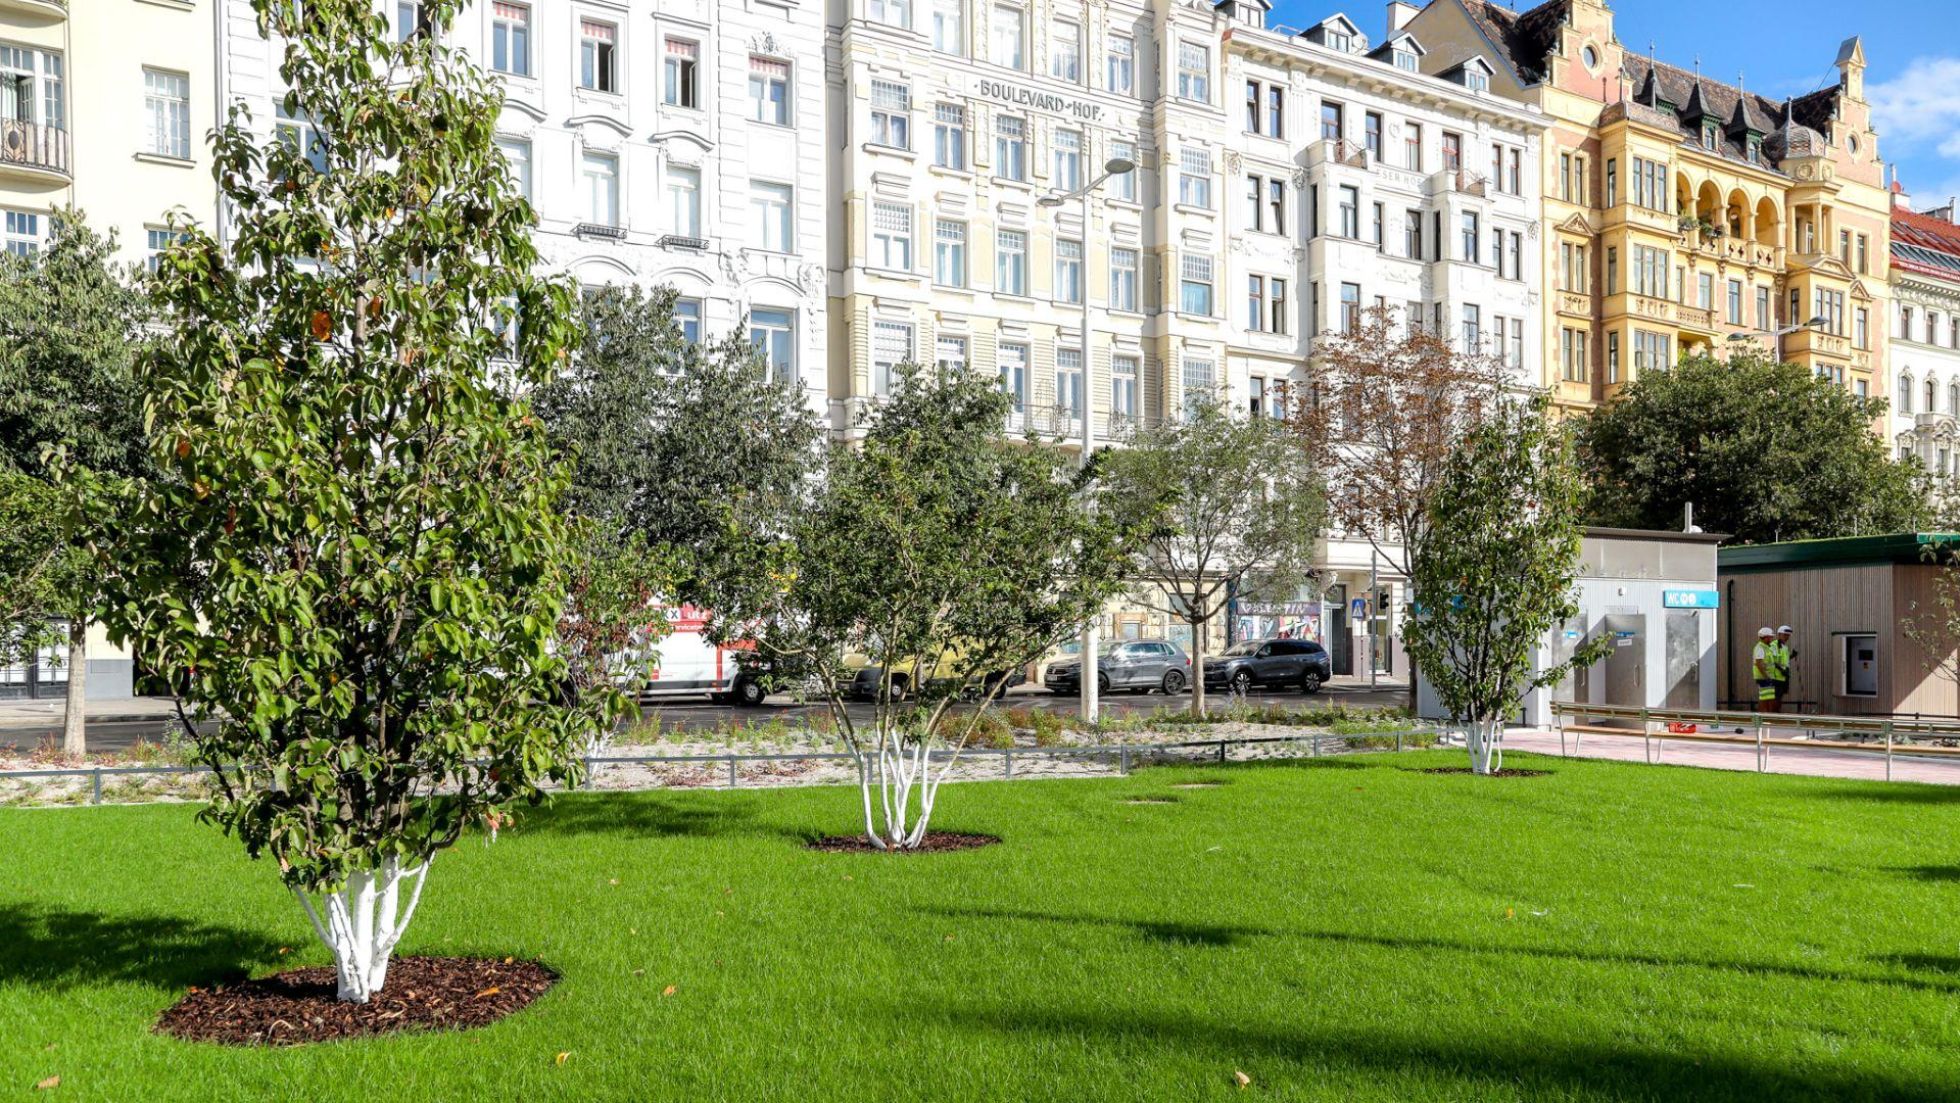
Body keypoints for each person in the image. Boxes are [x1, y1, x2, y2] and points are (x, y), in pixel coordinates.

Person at [1752, 626, 1781, 713]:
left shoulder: (1766, 647)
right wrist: (1766, 676)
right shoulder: (1760, 648)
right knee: (1764, 697)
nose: (1771, 638)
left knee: (1768, 696)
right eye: (1770, 637)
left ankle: (1766, 715)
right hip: (1763, 677)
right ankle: (1762, 716)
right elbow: (1758, 663)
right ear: (1765, 637)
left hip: (1767, 676)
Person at [1773, 624, 1797, 710]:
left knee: (1780, 696)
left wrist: (1792, 656)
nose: (1787, 637)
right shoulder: (1774, 645)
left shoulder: (1785, 647)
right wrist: (1781, 670)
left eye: (1788, 636)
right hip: (1776, 676)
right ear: (1779, 634)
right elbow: (1773, 660)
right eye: (1785, 635)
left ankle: (1777, 712)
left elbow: (1784, 661)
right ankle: (1773, 714)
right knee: (1776, 696)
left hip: (1783, 676)